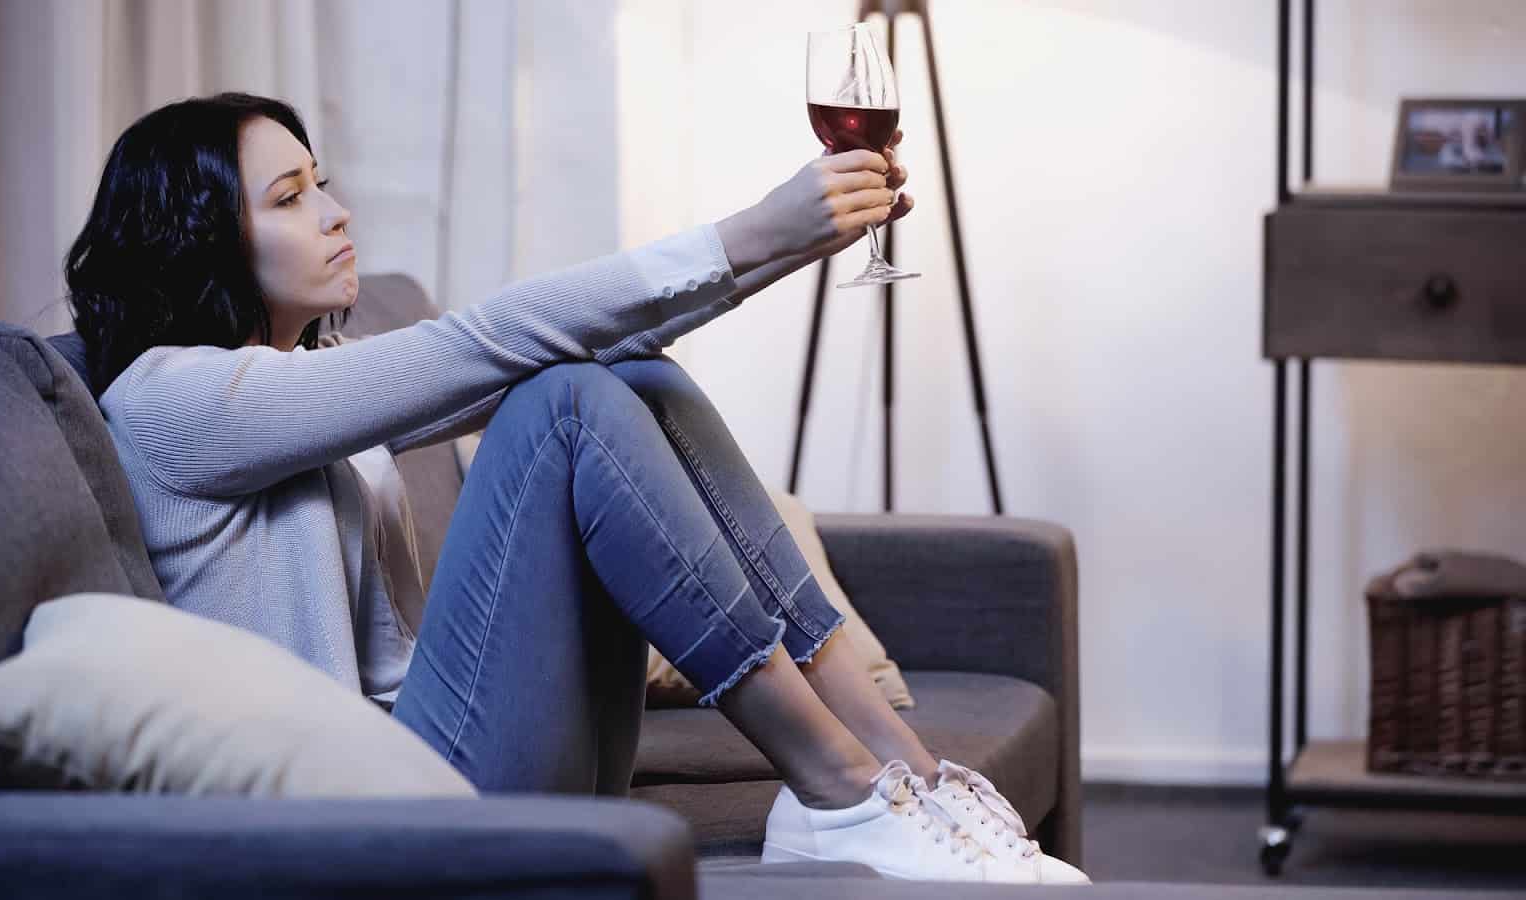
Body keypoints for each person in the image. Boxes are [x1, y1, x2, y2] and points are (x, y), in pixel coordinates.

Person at [64, 91, 1088, 885]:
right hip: (358, 821)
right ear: (200, 234)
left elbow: (591, 340)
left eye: (321, 183)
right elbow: (492, 341)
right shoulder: (172, 398)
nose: (334, 215)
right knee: (564, 405)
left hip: (452, 769)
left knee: (622, 376)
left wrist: (783, 255)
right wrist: (752, 232)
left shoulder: (298, 390)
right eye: (289, 199)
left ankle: (901, 776)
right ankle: (838, 787)